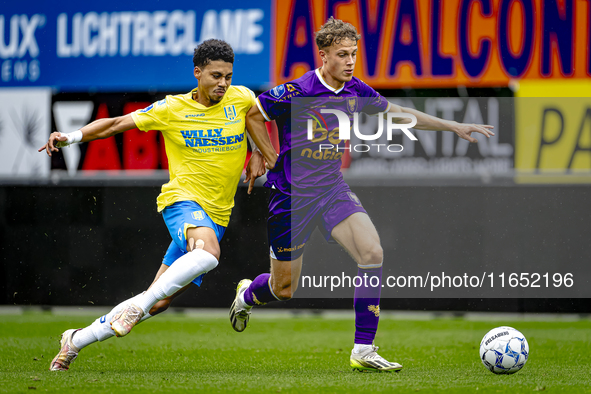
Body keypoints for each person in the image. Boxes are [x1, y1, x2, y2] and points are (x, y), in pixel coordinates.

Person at [229, 17, 495, 372]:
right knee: (284, 289)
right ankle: (247, 294)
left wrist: (453, 125)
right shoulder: (299, 89)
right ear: (324, 56)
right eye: (342, 54)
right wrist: (268, 155)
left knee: (372, 252)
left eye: (354, 53)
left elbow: (398, 113)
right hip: (291, 198)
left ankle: (363, 349)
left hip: (331, 188)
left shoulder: (356, 90)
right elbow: (254, 115)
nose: (350, 61)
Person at [39, 39, 277, 371]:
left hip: (218, 215)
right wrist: (72, 137)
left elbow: (263, 119)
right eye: (215, 75)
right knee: (208, 255)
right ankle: (135, 306)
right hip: (182, 201)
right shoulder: (171, 108)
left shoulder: (242, 98)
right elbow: (114, 124)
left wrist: (257, 153)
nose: (223, 83)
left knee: (159, 301)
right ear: (197, 73)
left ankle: (76, 340)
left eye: (228, 76)